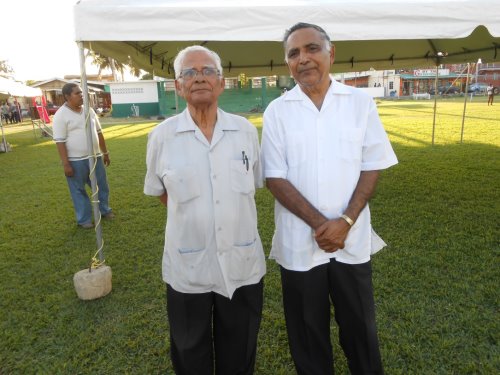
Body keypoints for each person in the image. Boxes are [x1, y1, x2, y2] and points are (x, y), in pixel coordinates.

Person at [261, 22, 398, 375]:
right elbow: (274, 176)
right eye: (294, 53)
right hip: (300, 244)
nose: (303, 59)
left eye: (312, 49)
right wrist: (324, 226)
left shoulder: (359, 102)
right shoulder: (278, 111)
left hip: (351, 241)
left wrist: (346, 222)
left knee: (361, 332)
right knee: (307, 337)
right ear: (287, 63)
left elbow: (372, 165)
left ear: (331, 53)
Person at [144, 45, 266, 375]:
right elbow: (161, 192)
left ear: (222, 83)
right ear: (178, 86)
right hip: (188, 267)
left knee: (239, 351)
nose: (199, 77)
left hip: (242, 265)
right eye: (189, 72)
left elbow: (252, 183)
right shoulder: (162, 137)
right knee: (189, 351)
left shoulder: (245, 131)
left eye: (207, 71)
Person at [53, 83, 114, 229]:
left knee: (102, 186)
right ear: (67, 96)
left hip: (95, 157)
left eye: (82, 93)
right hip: (75, 161)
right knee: (78, 190)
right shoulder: (61, 115)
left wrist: (105, 153)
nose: (81, 95)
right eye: (77, 93)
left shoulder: (89, 110)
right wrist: (66, 164)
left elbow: (99, 132)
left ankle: (104, 210)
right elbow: (59, 142)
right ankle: (84, 220)